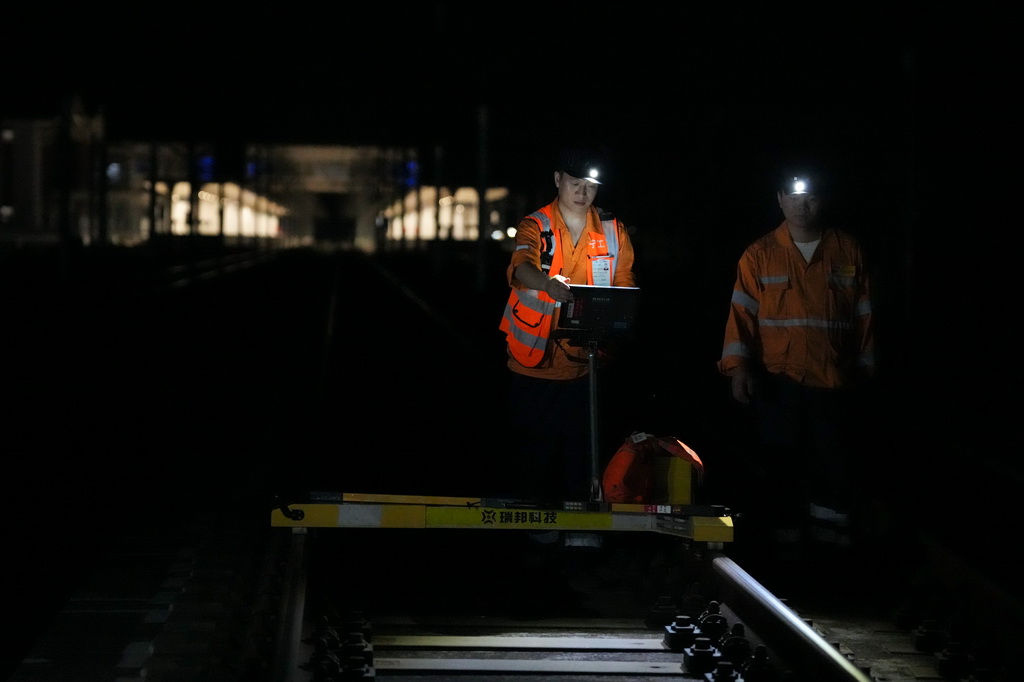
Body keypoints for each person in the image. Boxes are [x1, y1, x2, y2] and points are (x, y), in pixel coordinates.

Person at [716, 166, 875, 565]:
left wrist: (867, 372)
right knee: (780, 468)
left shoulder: (847, 250)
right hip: (778, 382)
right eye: (794, 195)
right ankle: (785, 555)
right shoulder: (759, 254)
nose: (803, 205)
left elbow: (865, 316)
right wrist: (738, 368)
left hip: (833, 381)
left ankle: (833, 553)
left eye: (812, 196)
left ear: (823, 200)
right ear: (780, 199)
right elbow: (741, 317)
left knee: (834, 470)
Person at [498, 148, 637, 506]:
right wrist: (545, 283)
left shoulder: (611, 229)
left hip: (586, 362)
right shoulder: (536, 225)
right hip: (535, 363)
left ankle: (582, 528)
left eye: (589, 186)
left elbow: (624, 280)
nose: (582, 192)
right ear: (558, 179)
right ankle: (535, 528)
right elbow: (520, 266)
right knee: (533, 451)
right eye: (575, 183)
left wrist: (617, 320)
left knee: (584, 453)